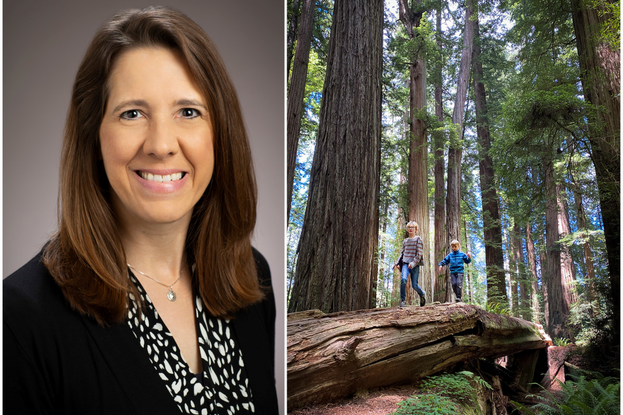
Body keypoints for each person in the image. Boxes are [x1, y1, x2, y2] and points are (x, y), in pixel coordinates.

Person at [3, 7, 278, 414]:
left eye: (188, 112)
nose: (161, 144)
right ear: (93, 135)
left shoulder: (250, 277)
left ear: (220, 131)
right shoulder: (21, 318)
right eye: (132, 113)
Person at [394, 221, 427, 307]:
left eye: (412, 227)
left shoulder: (418, 239)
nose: (410, 229)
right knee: (403, 280)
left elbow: (419, 254)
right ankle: (403, 300)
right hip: (405, 263)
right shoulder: (405, 241)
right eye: (409, 227)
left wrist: (413, 263)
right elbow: (402, 252)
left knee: (414, 285)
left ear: (416, 229)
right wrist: (397, 263)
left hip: (414, 265)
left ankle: (422, 294)